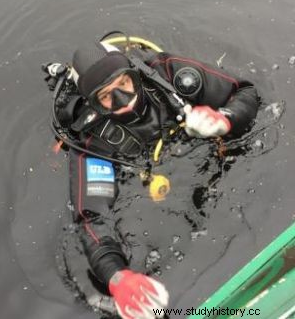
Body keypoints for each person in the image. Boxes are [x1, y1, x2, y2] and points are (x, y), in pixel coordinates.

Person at [46, 38, 259, 319]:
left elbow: (245, 92)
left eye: (124, 83)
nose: (123, 99)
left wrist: (224, 119)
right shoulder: (93, 141)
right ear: (94, 104)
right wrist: (118, 278)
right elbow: (91, 219)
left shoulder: (170, 75)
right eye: (107, 96)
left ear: (136, 74)